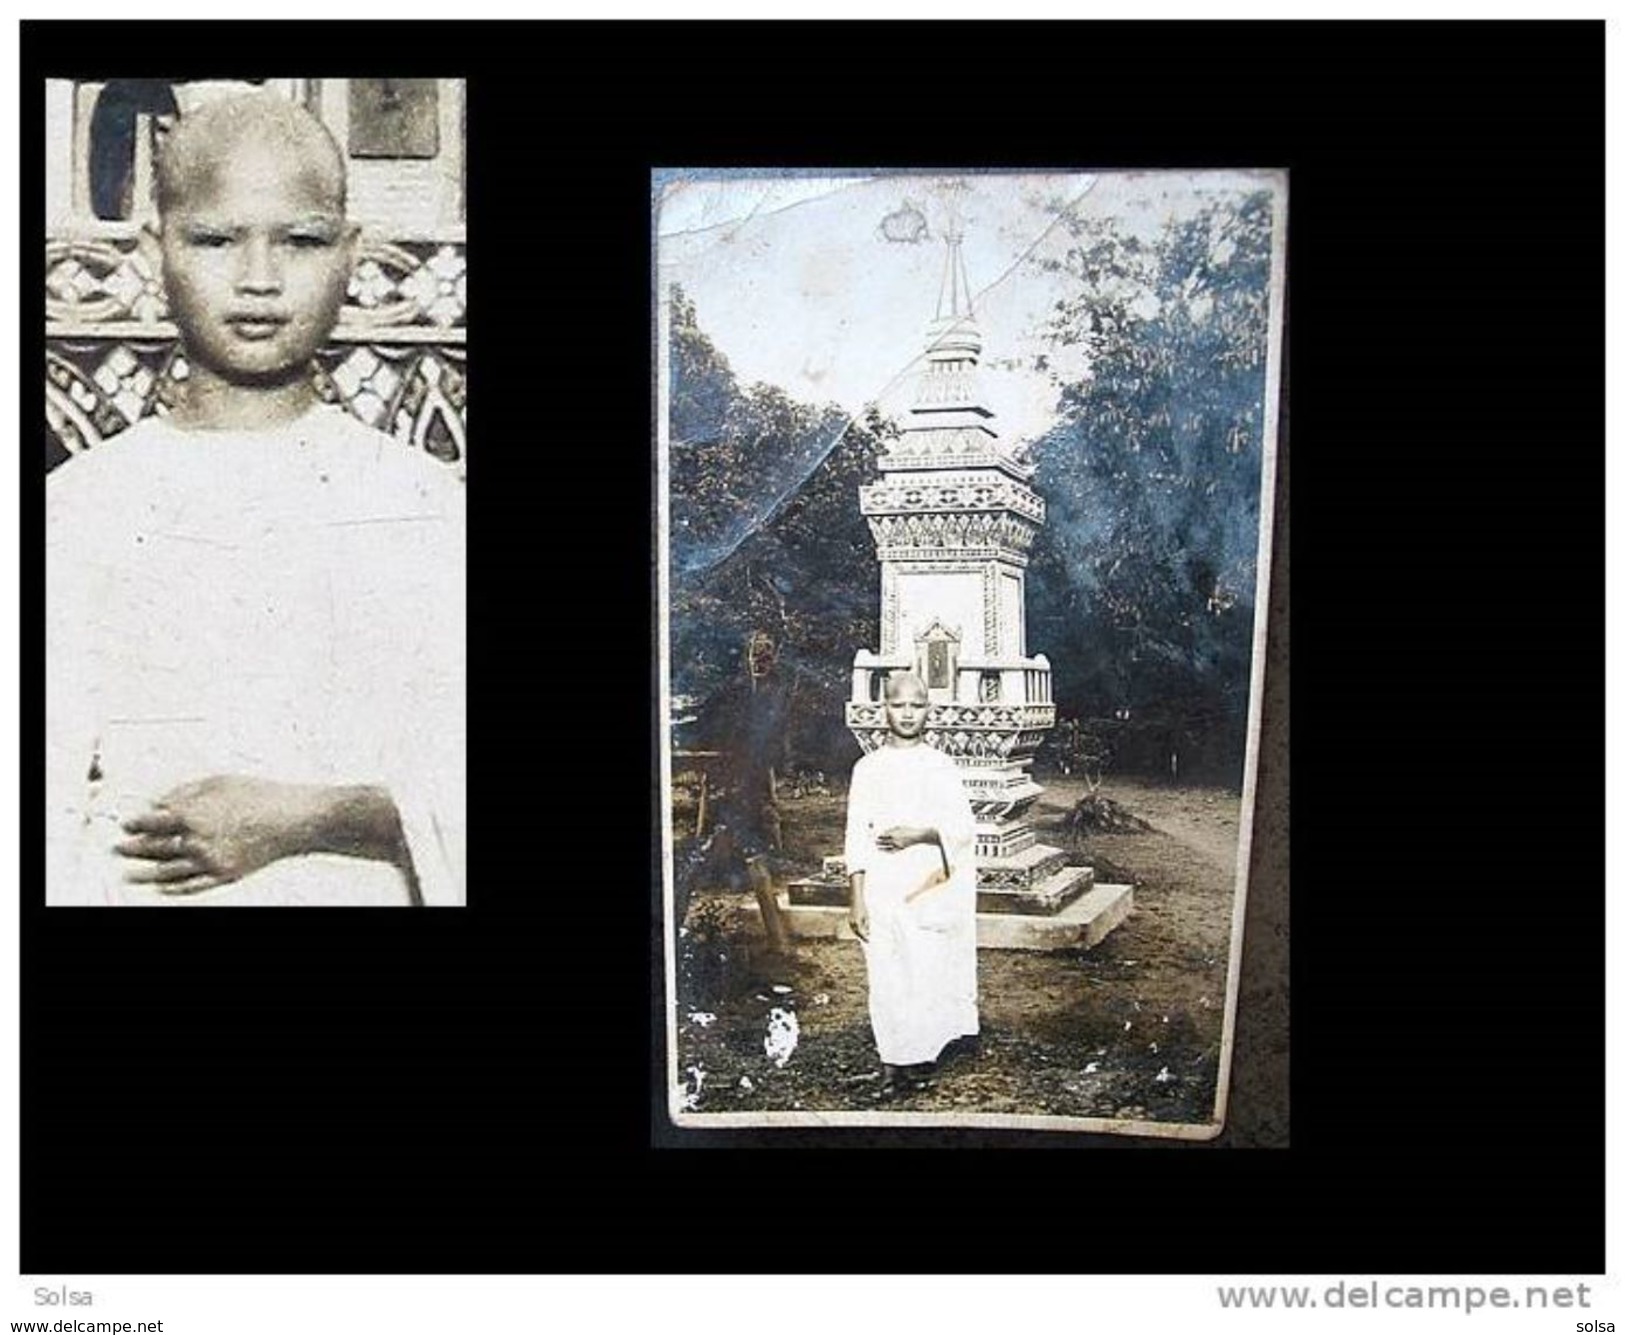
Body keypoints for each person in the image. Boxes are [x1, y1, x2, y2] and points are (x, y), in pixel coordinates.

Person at [45, 91, 465, 907]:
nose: (260, 279)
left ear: (351, 253)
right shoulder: (76, 509)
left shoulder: (423, 504)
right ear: (152, 250)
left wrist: (310, 818)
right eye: (215, 239)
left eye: (301, 242)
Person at [844, 672, 979, 1095]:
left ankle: (919, 1058)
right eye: (898, 705)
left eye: (916, 706)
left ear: (928, 711)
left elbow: (962, 827)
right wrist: (856, 899)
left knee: (923, 967)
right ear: (884, 708)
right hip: (882, 881)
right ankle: (890, 1063)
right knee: (884, 970)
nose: (907, 714)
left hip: (924, 879)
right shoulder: (867, 768)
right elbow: (856, 835)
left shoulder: (939, 765)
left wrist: (918, 834)